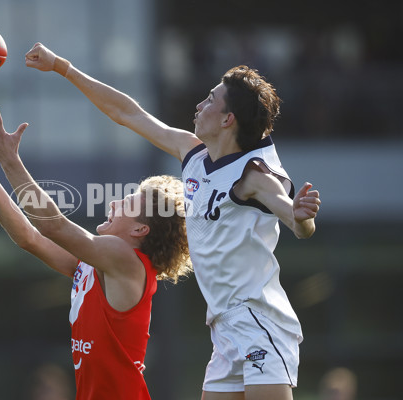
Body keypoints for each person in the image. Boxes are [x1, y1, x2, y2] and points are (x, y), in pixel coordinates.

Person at [24, 43, 322, 400]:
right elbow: (127, 113)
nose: (200, 105)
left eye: (211, 100)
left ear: (228, 120)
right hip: (223, 327)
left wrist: (302, 217)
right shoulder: (192, 152)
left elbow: (296, 222)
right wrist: (63, 66)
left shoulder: (253, 175)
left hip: (259, 319)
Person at [0, 107, 191, 400]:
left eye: (127, 203)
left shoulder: (126, 259)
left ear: (140, 230)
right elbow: (31, 239)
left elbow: (54, 227)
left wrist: (10, 161)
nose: (114, 204)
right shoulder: (100, 263)